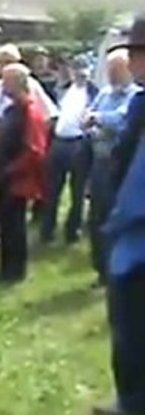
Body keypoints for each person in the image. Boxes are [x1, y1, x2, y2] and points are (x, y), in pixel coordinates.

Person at [95, 17, 145, 415]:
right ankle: (132, 396)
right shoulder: (141, 102)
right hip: (129, 228)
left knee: (129, 321)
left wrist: (121, 216)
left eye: (136, 53)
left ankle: (132, 400)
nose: (131, 61)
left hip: (137, 232)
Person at [83, 48, 140, 285]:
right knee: (95, 217)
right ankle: (100, 270)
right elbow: (88, 116)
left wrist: (98, 119)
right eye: (109, 70)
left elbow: (122, 120)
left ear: (128, 69)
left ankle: (116, 270)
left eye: (116, 70)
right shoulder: (104, 93)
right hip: (98, 160)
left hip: (119, 164)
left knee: (112, 216)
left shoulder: (136, 96)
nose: (112, 75)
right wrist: (94, 121)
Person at [0, 63, 48, 283]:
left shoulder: (30, 110)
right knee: (5, 225)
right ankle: (5, 269)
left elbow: (35, 150)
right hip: (4, 178)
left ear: (18, 83)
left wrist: (10, 170)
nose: (3, 85)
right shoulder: (12, 109)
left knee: (15, 226)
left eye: (6, 80)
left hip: (17, 180)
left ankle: (15, 271)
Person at [39, 55, 98, 244]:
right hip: (59, 142)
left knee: (77, 191)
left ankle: (72, 231)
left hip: (79, 143)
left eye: (83, 71)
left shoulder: (94, 92)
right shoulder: (64, 89)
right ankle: (47, 230)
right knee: (51, 189)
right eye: (76, 70)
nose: (79, 74)